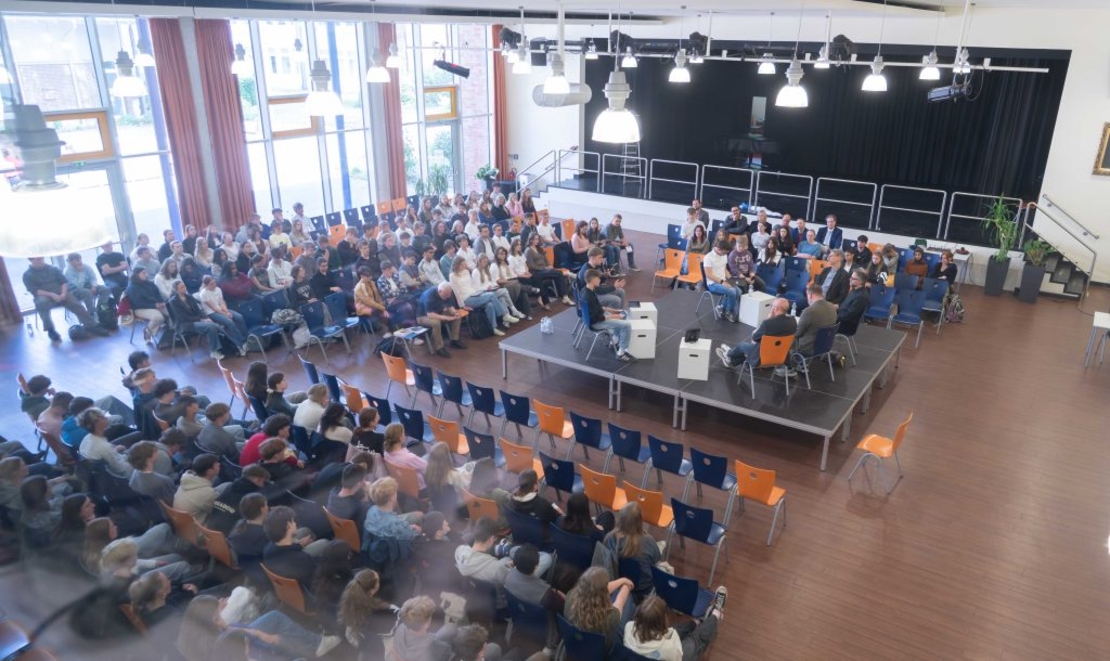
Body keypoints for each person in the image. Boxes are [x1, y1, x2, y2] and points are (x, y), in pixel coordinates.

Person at [177, 595, 340, 661]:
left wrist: (253, 633)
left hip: (239, 641)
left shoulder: (195, 633)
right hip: (246, 653)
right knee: (291, 651)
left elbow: (230, 632)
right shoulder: (213, 647)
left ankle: (315, 644)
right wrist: (256, 639)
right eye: (216, 617)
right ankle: (311, 646)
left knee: (274, 618)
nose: (221, 620)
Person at [623, 590, 727, 661]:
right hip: (670, 654)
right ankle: (716, 613)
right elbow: (677, 657)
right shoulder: (668, 648)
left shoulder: (629, 627)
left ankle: (697, 622)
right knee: (694, 640)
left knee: (675, 630)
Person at [24, 257, 105, 341]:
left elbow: (63, 282)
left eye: (41, 258)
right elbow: (34, 291)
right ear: (31, 260)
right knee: (41, 304)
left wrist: (63, 293)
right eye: (38, 259)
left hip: (60, 291)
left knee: (76, 304)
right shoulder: (27, 275)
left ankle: (92, 325)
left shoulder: (53, 269)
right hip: (44, 295)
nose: (41, 260)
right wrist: (51, 294)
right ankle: (50, 330)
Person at [564, 566, 635, 649]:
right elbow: (621, 600)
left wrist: (622, 580)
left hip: (575, 643)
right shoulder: (610, 617)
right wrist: (626, 585)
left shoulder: (570, 596)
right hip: (599, 651)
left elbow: (596, 590)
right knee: (629, 600)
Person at [718, 297, 798, 368]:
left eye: (772, 306)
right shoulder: (793, 322)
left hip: (762, 358)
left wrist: (767, 319)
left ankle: (728, 354)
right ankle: (731, 361)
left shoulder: (768, 324)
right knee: (750, 349)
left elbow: (755, 337)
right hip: (781, 357)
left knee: (742, 345)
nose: (771, 308)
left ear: (775, 309)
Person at [605, 502, 663, 598]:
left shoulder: (610, 538)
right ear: (640, 521)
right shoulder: (649, 542)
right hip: (644, 590)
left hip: (618, 583)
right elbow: (657, 559)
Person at [338, 569, 398, 656]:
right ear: (373, 590)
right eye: (378, 580)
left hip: (359, 645)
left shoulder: (348, 601)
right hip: (379, 649)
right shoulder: (383, 612)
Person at [583, 268, 636, 362]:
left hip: (596, 318)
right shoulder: (589, 296)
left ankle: (614, 341)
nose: (600, 280)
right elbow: (596, 318)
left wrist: (612, 310)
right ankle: (621, 353)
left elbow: (597, 307)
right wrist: (613, 316)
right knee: (627, 325)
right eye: (598, 278)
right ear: (593, 280)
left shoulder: (586, 291)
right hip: (596, 323)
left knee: (621, 316)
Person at [451, 255, 510, 337]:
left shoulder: (466, 272)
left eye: (464, 264)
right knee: (492, 295)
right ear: (457, 265)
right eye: (463, 264)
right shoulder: (452, 276)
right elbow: (456, 292)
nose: (465, 266)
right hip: (466, 299)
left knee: (490, 305)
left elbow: (472, 286)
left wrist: (480, 293)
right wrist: (463, 306)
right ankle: (504, 315)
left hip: (475, 294)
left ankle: (493, 328)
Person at [168, 280, 228, 360]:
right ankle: (214, 351)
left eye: (184, 286)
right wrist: (201, 319)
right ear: (176, 290)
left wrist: (206, 317)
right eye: (182, 287)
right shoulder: (173, 302)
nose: (185, 288)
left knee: (213, 324)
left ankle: (224, 346)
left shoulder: (189, 297)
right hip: (184, 324)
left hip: (195, 320)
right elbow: (183, 318)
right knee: (211, 326)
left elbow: (198, 310)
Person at [198, 275, 249, 355]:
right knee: (229, 322)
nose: (214, 285)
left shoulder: (218, 289)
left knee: (239, 317)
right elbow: (214, 307)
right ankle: (240, 343)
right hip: (212, 313)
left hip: (221, 309)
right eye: (211, 284)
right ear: (206, 285)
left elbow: (222, 302)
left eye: (214, 282)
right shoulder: (203, 294)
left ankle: (246, 338)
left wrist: (226, 312)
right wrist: (225, 314)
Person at [364, 476, 422, 543]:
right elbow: (414, 537)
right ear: (390, 498)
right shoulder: (396, 524)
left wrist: (407, 527)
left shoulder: (371, 510)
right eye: (395, 493)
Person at [78, 407, 133, 476]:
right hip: (120, 475)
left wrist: (114, 451)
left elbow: (101, 455)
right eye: (103, 417)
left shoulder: (86, 439)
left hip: (102, 470)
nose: (106, 418)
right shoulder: (104, 446)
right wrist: (129, 456)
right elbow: (121, 468)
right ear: (97, 423)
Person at [418, 282, 467, 357]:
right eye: (446, 295)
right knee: (436, 322)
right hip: (423, 316)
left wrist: (454, 313)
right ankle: (439, 348)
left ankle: (454, 340)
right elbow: (430, 314)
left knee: (457, 317)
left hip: (439, 312)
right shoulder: (429, 295)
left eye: (449, 294)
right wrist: (446, 318)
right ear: (440, 291)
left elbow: (449, 306)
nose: (448, 296)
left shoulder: (447, 292)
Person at [524, 232, 573, 305]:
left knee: (559, 274)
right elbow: (531, 266)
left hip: (544, 270)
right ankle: (565, 293)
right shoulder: (528, 251)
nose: (537, 240)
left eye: (538, 239)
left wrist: (549, 265)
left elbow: (545, 259)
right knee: (558, 273)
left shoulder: (539, 248)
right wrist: (544, 268)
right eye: (536, 239)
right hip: (536, 271)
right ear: (531, 240)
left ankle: (564, 296)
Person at [64, 252, 110, 324]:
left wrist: (94, 286)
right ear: (70, 262)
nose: (80, 262)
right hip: (73, 290)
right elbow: (79, 285)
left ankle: (101, 310)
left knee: (105, 289)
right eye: (77, 260)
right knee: (86, 292)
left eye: (80, 259)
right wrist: (80, 272)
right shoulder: (67, 271)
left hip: (88, 286)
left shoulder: (86, 266)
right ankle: (92, 314)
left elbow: (93, 277)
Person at [174, 454, 220, 523]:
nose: (219, 464)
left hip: (184, 524)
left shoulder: (187, 479)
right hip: (199, 530)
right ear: (209, 472)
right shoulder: (208, 494)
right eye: (217, 465)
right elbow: (224, 509)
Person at [795, 283, 838, 357]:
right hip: (825, 345)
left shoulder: (809, 311)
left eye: (807, 295)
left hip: (808, 347)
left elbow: (797, 333)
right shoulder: (832, 307)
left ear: (810, 295)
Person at [127, 441, 176, 505]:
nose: (158, 451)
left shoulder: (135, 474)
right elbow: (173, 501)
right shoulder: (163, 481)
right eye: (155, 451)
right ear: (148, 458)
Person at [703, 241, 740, 322]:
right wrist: (722, 282)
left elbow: (724, 269)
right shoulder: (708, 257)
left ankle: (722, 307)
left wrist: (731, 279)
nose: (724, 255)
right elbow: (708, 275)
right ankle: (729, 312)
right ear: (719, 249)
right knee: (732, 291)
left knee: (739, 291)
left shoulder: (724, 255)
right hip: (713, 283)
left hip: (723, 280)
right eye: (723, 253)